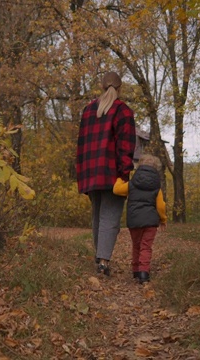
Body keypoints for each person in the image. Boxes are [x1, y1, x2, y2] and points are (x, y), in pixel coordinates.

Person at [76, 71, 137, 276]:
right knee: (109, 218)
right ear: (119, 88)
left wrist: (81, 173)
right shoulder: (123, 111)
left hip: (91, 173)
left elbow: (81, 145)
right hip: (112, 173)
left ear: (102, 87)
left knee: (97, 217)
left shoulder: (87, 111)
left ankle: (99, 258)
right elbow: (126, 147)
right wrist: (125, 173)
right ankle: (103, 262)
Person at [113, 154, 167, 284]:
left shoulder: (131, 184)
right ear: (156, 169)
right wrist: (163, 219)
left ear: (139, 167)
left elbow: (116, 190)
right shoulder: (156, 187)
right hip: (151, 223)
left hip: (134, 221)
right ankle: (144, 273)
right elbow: (161, 206)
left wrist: (120, 179)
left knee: (136, 246)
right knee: (146, 247)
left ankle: (136, 271)